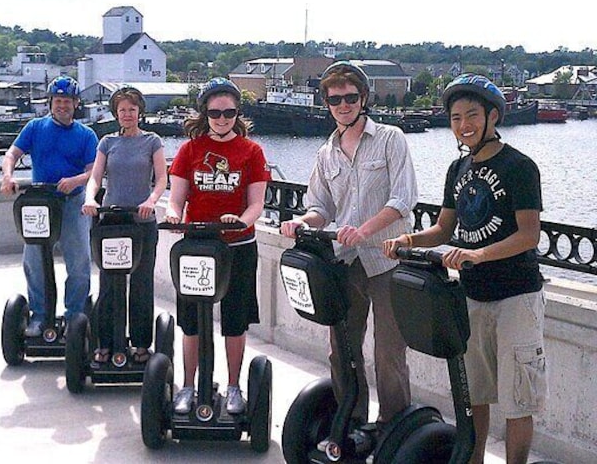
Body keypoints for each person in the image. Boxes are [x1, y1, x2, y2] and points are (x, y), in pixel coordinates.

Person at [383, 74, 547, 464]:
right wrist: (407, 240)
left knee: (517, 398)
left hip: (516, 296)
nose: (464, 125)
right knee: (475, 394)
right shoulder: (457, 170)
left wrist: (479, 254)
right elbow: (444, 229)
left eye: (472, 115)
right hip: (471, 295)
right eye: (456, 118)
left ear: (493, 117)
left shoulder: (520, 167)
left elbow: (529, 235)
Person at [279, 61, 418, 430]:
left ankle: (393, 428)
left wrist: (364, 229)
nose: (343, 105)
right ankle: (352, 421)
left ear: (364, 99)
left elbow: (403, 199)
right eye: (335, 99)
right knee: (341, 348)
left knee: (388, 353)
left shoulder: (391, 139)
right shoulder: (326, 154)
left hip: (388, 259)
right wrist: (301, 222)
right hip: (347, 261)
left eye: (350, 97)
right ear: (326, 102)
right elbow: (320, 208)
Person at [165, 77, 271, 415]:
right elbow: (176, 198)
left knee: (234, 320)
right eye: (215, 112)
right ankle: (186, 386)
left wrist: (241, 219)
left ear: (237, 113)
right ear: (205, 113)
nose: (222, 119)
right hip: (197, 245)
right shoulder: (190, 150)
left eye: (228, 112)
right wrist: (172, 216)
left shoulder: (251, 151)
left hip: (237, 246)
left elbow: (256, 204)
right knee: (192, 320)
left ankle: (234, 386)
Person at [0, 75, 99, 338]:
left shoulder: (86, 135)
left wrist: (75, 180)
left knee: (78, 261)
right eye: (58, 101)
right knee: (33, 260)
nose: (62, 106)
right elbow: (12, 154)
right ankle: (40, 315)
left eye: (67, 101)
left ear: (76, 104)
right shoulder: (35, 127)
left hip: (72, 202)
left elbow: (94, 173)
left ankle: (74, 317)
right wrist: (8, 176)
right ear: (50, 102)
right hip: (40, 203)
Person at [82, 85, 167, 365]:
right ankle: (105, 343)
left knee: (141, 284)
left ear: (139, 111)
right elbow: (96, 177)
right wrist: (90, 199)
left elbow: (161, 180)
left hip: (141, 220)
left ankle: (141, 344)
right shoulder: (106, 142)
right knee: (108, 283)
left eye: (132, 109)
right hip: (112, 220)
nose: (127, 114)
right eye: (122, 110)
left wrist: (151, 201)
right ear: (116, 114)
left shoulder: (152, 141)